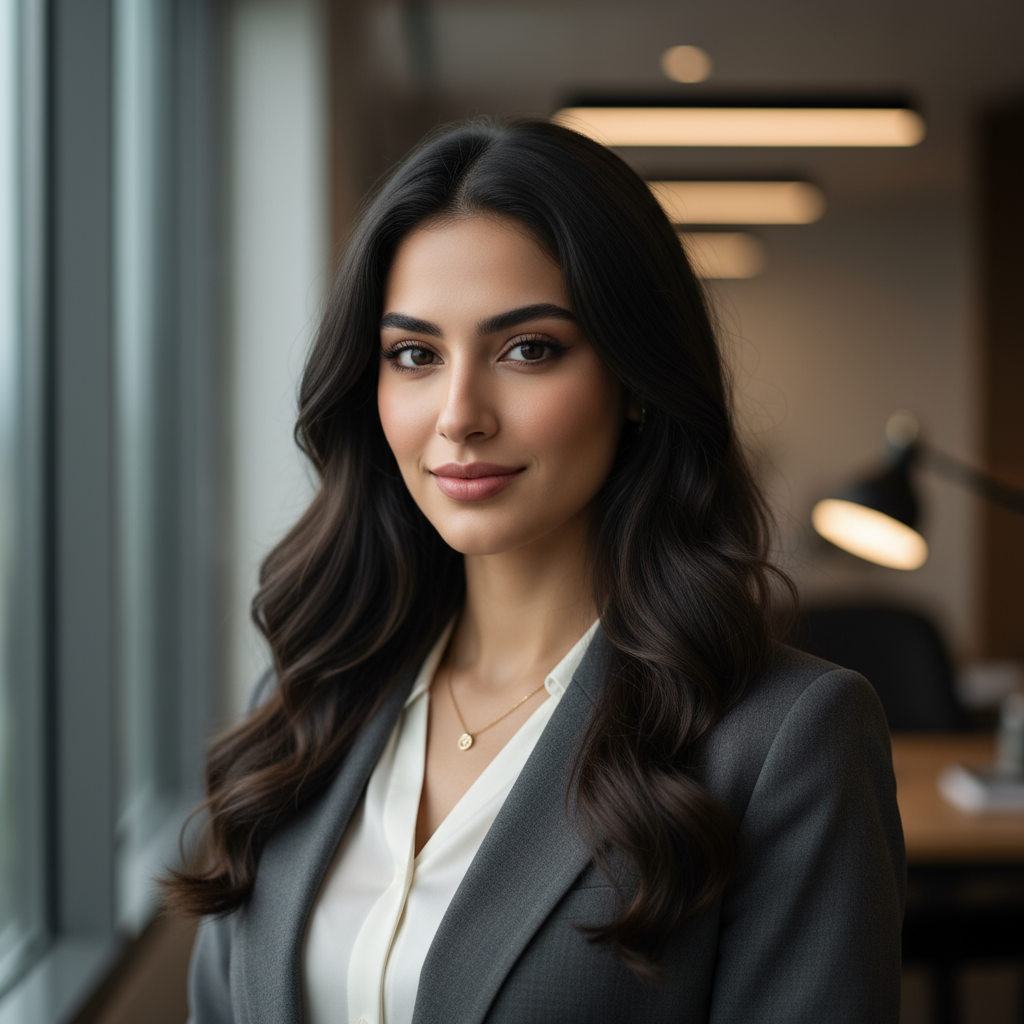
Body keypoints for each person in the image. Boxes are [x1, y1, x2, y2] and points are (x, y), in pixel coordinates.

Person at [168, 118, 905, 1024]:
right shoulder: (301, 701)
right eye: (415, 355)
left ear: (636, 380)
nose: (459, 415)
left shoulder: (783, 741)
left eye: (529, 349)